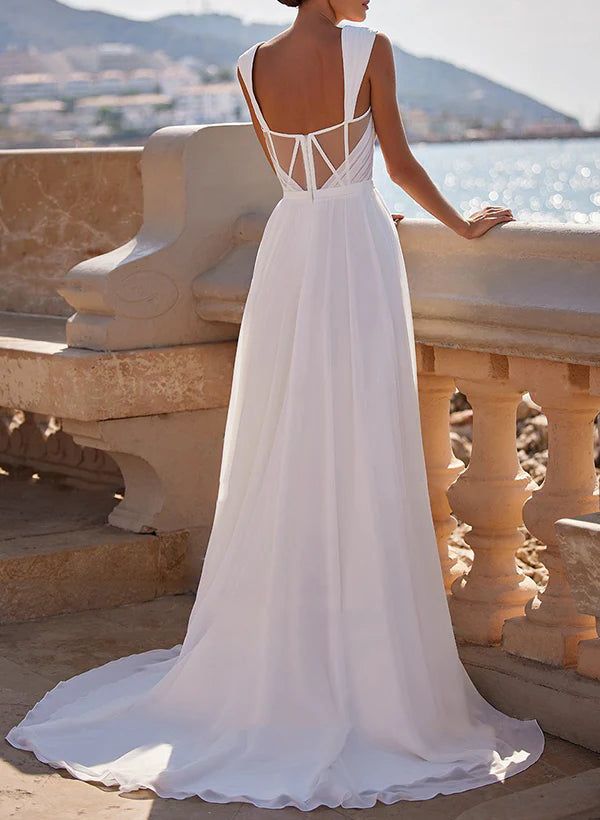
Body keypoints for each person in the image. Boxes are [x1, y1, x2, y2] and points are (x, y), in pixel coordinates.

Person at [5, 0, 545, 810]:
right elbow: (393, 160)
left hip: (293, 251)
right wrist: (462, 227)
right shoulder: (368, 46)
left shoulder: (249, 63)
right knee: (358, 434)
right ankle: (360, 659)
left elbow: (300, 176)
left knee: (290, 439)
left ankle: (285, 646)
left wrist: (345, 193)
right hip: (355, 252)